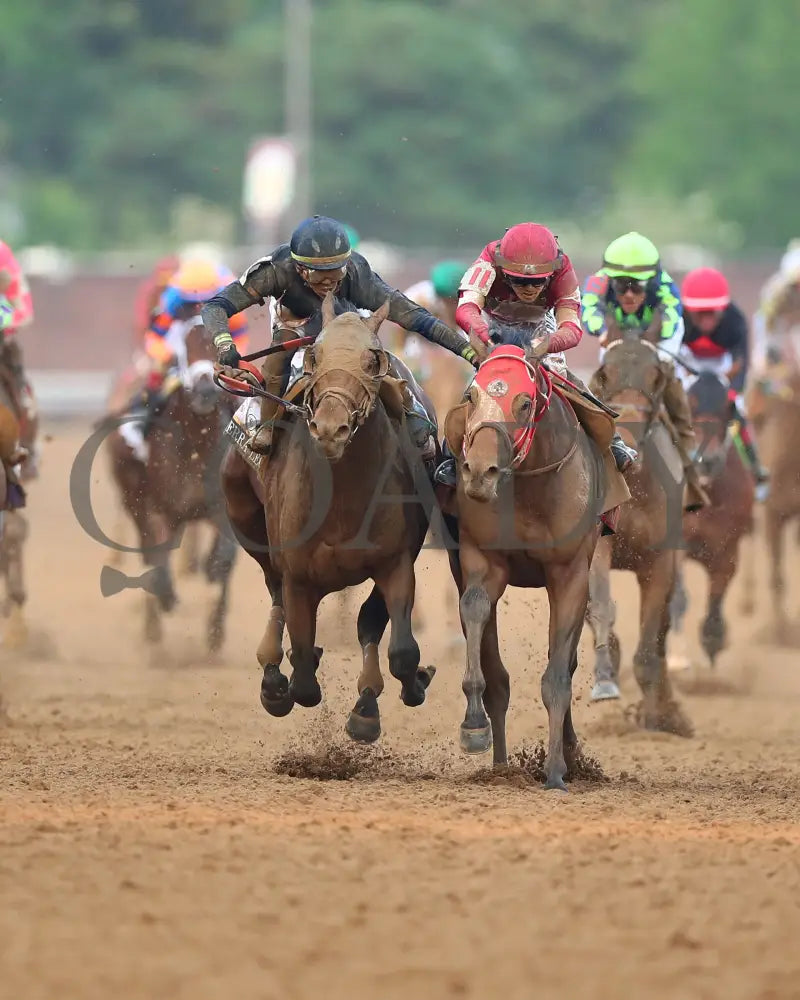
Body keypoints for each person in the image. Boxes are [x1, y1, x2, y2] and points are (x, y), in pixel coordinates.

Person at [202, 215, 478, 455]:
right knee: (281, 349)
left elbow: (417, 319)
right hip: (294, 328)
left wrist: (467, 351)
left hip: (347, 331)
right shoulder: (274, 270)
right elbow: (216, 306)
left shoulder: (358, 273)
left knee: (377, 359)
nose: (330, 281)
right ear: (298, 268)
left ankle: (413, 413)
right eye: (319, 275)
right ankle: (268, 426)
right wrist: (224, 344)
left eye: (336, 272)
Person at [433, 222, 638, 487]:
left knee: (560, 377)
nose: (528, 288)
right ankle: (450, 458)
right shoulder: (488, 259)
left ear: (551, 272)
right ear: (503, 270)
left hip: (540, 326)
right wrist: (487, 339)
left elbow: (572, 328)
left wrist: (544, 344)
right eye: (519, 281)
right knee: (481, 386)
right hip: (494, 326)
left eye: (538, 282)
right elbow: (467, 308)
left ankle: (613, 443)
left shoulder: (563, 267)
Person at [581, 231, 710, 511]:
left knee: (675, 397)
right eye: (621, 287)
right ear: (610, 279)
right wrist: (602, 331)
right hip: (616, 343)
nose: (628, 294)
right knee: (590, 393)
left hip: (657, 343)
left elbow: (674, 321)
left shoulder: (666, 287)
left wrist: (658, 358)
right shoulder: (597, 282)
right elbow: (588, 310)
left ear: (650, 282)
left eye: (637, 288)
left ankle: (691, 472)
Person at [119, 258, 249, 463]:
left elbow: (240, 334)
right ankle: (139, 425)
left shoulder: (230, 302)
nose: (200, 306)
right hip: (179, 342)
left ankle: (249, 428)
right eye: (193, 302)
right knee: (156, 376)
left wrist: (233, 355)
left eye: (208, 300)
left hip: (217, 344)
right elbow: (154, 337)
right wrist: (166, 355)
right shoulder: (172, 300)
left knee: (243, 385)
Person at [679, 267, 769, 500]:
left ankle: (755, 468)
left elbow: (743, 362)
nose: (707, 320)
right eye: (700, 313)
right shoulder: (677, 318)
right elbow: (670, 357)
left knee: (739, 411)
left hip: (723, 367)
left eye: (712, 313)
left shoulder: (736, 320)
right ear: (689, 310)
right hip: (687, 364)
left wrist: (732, 392)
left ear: (723, 310)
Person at [753, 239, 800, 369]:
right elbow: (768, 319)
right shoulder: (777, 290)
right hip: (774, 324)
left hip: (794, 325)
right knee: (767, 357)